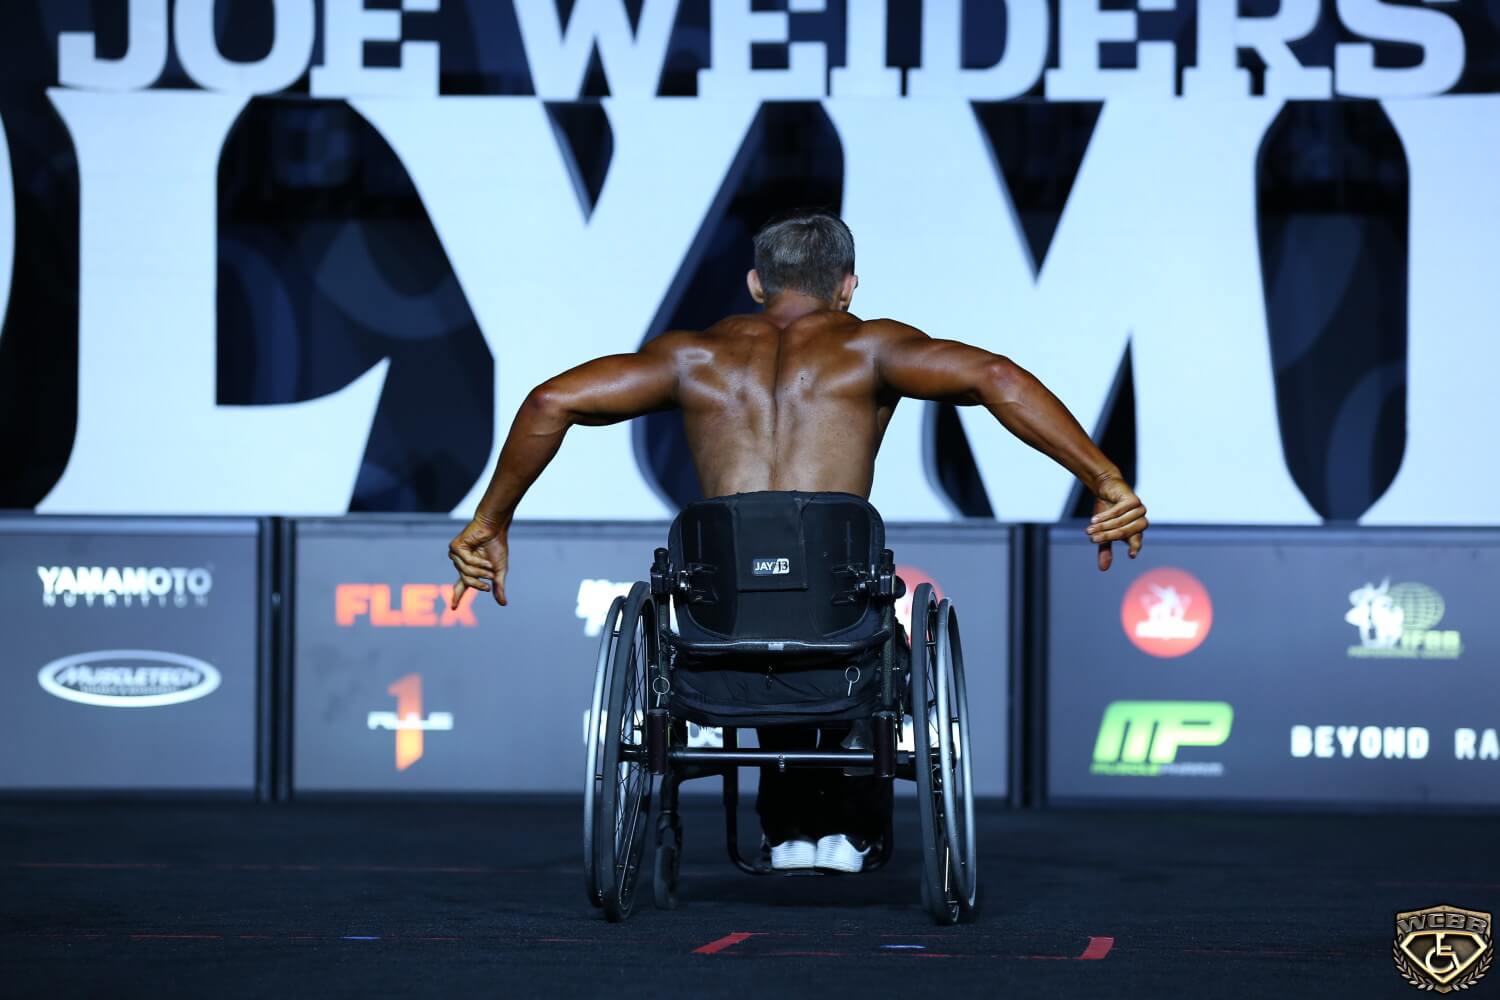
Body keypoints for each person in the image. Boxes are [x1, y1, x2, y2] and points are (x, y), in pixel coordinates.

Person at [447, 209, 1148, 873]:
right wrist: (1105, 478)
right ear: (847, 287)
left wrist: (490, 522)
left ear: (757, 283)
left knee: (762, 605)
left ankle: (785, 830)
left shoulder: (692, 355)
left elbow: (549, 401)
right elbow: (996, 377)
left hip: (720, 623)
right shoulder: (872, 347)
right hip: (838, 615)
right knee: (843, 616)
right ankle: (848, 827)